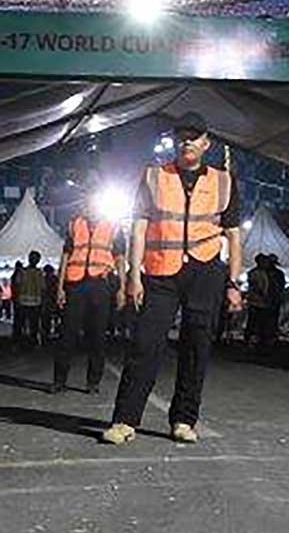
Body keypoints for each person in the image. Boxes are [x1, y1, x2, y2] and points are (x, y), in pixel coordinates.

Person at [102, 112, 243, 445]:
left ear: (206, 144)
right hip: (160, 271)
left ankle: (183, 419)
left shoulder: (224, 181)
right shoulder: (154, 176)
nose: (187, 142)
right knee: (144, 345)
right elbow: (138, 228)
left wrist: (234, 283)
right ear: (174, 142)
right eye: (182, 136)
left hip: (206, 270)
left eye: (194, 136)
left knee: (197, 347)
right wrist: (132, 276)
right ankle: (124, 421)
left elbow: (234, 236)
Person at [52, 198, 126, 394]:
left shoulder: (113, 227)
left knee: (98, 337)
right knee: (67, 335)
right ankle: (59, 380)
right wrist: (60, 288)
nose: (92, 208)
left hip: (100, 285)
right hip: (75, 285)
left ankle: (93, 382)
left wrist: (122, 289)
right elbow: (65, 257)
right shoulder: (75, 225)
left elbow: (120, 259)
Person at [15, 251, 45, 345]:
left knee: (24, 323)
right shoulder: (38, 273)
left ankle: (21, 341)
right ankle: (29, 341)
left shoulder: (24, 271)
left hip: (25, 301)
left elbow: (17, 285)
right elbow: (43, 288)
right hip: (34, 302)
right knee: (32, 324)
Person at [244, 255, 270, 345]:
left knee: (258, 321)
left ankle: (255, 338)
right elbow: (255, 286)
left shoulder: (262, 273)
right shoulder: (254, 273)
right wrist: (263, 295)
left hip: (260, 301)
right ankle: (249, 338)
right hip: (255, 301)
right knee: (253, 321)